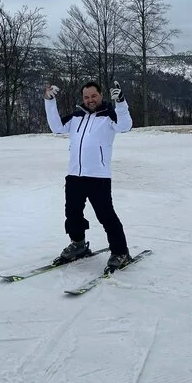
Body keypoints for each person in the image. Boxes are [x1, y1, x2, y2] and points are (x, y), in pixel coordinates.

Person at [44, 79, 132, 273]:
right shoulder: (77, 117)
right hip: (75, 175)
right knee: (72, 214)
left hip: (98, 177)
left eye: (94, 96)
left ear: (100, 95)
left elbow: (126, 125)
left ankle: (121, 252)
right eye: (86, 97)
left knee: (106, 216)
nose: (90, 100)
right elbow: (57, 128)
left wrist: (121, 102)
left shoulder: (110, 116)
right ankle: (78, 245)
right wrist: (49, 102)